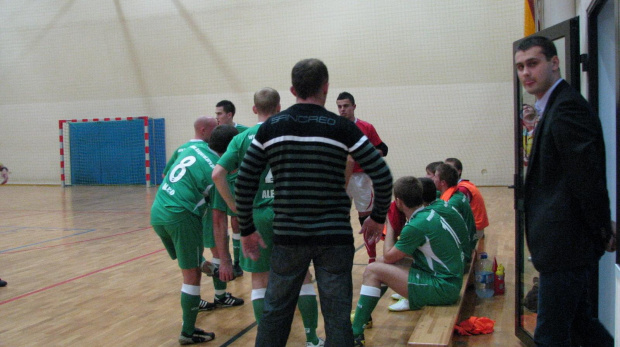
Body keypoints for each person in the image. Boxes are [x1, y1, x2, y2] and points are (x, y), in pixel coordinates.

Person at [236, 58, 393, 347]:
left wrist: (246, 229)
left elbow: (244, 181)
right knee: (337, 318)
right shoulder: (342, 128)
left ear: (293, 89)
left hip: (288, 237)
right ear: (326, 87)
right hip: (334, 238)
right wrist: (378, 217)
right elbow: (382, 174)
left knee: (275, 315)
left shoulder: (270, 127)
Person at [515, 35, 616, 347]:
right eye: (520, 67)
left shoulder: (567, 108)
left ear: (554, 62)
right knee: (579, 322)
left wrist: (602, 228)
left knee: (550, 335)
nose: (525, 73)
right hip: (561, 245)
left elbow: (587, 179)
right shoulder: (555, 105)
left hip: (566, 245)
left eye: (533, 63)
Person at [212, 88, 324, 346]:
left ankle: (267, 341)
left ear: (254, 109)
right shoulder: (293, 133)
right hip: (291, 214)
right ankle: (311, 339)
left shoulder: (241, 139)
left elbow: (218, 174)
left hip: (258, 215)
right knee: (302, 275)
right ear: (279, 107)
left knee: (260, 281)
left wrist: (238, 207)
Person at [150, 124, 238, 345]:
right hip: (181, 216)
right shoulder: (217, 175)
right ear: (230, 151)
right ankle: (188, 332)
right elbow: (218, 223)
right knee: (191, 276)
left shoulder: (192, 149)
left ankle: (194, 297)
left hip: (158, 210)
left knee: (192, 261)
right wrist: (226, 261)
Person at [350, 177, 463, 346]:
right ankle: (363, 318)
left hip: (443, 287)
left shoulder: (416, 225)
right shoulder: (428, 213)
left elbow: (389, 255)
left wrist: (390, 225)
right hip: (448, 279)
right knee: (382, 265)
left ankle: (355, 333)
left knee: (375, 269)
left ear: (399, 202)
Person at [337, 92, 389, 264]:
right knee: (338, 218)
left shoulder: (366, 127)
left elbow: (383, 149)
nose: (342, 109)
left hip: (361, 178)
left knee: (365, 218)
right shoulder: (333, 127)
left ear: (353, 106)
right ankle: (340, 256)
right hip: (340, 177)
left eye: (345, 106)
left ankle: (372, 259)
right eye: (339, 106)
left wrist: (365, 154)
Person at [214, 100, 249, 277]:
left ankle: (237, 262)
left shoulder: (244, 132)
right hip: (222, 182)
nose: (217, 117)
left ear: (229, 115)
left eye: (219, 113)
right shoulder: (215, 133)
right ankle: (224, 260)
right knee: (219, 221)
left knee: (236, 223)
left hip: (239, 183)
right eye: (216, 114)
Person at [432, 163, 476, 258]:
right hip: (469, 243)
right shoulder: (455, 193)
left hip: (463, 252)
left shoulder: (451, 203)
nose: (432, 179)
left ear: (443, 182)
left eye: (435, 176)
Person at [444, 158, 489, 239]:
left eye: (449, 168)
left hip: (475, 229)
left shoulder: (462, 189)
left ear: (459, 171)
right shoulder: (464, 184)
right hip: (478, 226)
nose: (446, 171)